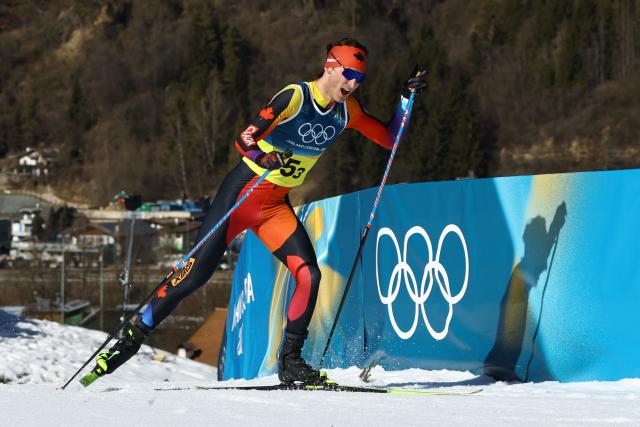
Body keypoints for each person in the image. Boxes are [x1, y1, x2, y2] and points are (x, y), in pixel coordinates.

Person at [83, 38, 426, 386]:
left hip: (274, 207)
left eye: (360, 79)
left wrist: (405, 99)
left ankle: (291, 362)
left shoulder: (346, 112)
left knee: (309, 275)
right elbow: (245, 138)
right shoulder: (295, 96)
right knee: (195, 275)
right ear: (330, 66)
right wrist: (265, 157)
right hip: (241, 196)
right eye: (349, 75)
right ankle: (132, 337)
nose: (352, 85)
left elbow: (389, 139)